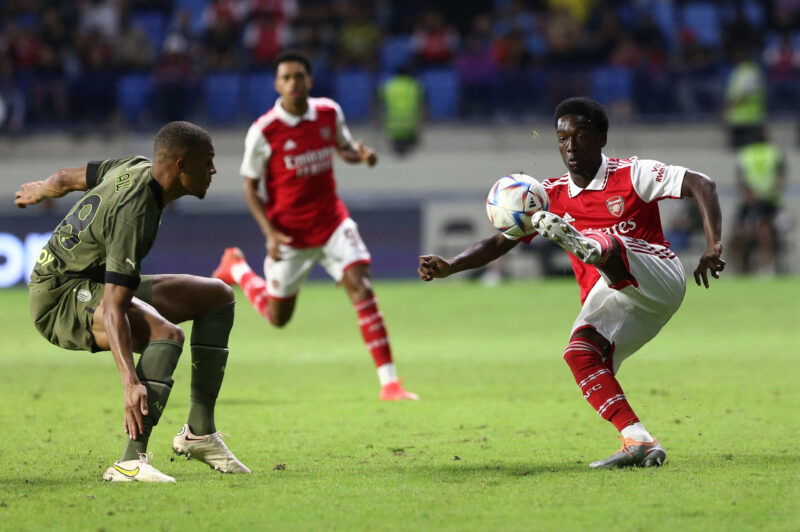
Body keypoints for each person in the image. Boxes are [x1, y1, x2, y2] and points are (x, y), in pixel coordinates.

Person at [419, 97, 725, 469]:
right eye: (562, 138)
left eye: (580, 136)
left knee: (608, 243)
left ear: (601, 138)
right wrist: (451, 265)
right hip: (620, 299)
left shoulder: (632, 173)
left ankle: (590, 246)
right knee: (579, 355)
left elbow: (702, 184)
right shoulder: (548, 195)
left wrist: (714, 245)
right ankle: (637, 439)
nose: (570, 146)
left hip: (657, 274)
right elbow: (499, 242)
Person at [15, 121, 250, 482]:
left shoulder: (134, 167)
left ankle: (199, 434)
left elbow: (64, 178)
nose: (214, 170)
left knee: (217, 296)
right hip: (60, 299)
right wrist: (130, 382)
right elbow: (113, 307)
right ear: (181, 166)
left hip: (87, 280)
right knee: (165, 335)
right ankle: (130, 461)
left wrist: (41, 191)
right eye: (208, 161)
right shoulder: (135, 213)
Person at [212, 51, 418, 401]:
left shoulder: (328, 113)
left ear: (309, 80)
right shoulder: (264, 131)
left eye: (299, 76)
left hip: (332, 222)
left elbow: (344, 148)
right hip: (289, 234)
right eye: (286, 77)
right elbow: (250, 185)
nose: (293, 83)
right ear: (277, 84)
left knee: (361, 286)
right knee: (278, 318)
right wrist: (270, 233)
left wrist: (361, 156)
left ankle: (390, 384)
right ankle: (238, 268)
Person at [728, 126, 786, 274]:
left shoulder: (745, 154)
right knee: (750, 234)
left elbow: (740, 180)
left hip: (763, 203)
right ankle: (754, 268)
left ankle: (763, 267)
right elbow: (781, 178)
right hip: (768, 201)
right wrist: (769, 192)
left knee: (761, 232)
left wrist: (750, 194)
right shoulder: (774, 153)